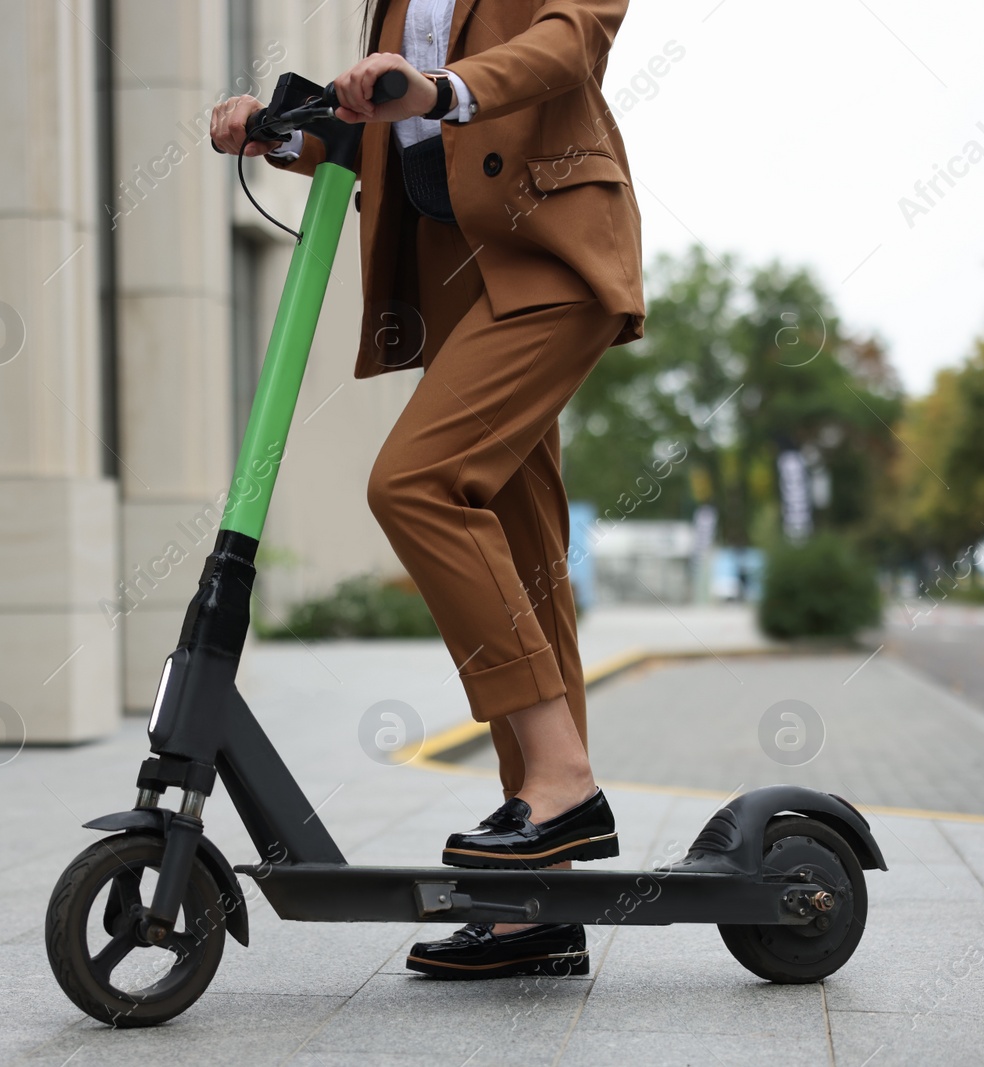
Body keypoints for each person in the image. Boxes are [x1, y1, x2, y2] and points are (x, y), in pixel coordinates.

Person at [211, 0, 643, 980]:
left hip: (552, 256)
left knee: (415, 483)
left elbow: (567, 43)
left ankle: (563, 781)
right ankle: (539, 900)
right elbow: (390, 120)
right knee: (527, 565)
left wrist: (446, 87)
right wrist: (295, 127)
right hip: (463, 287)